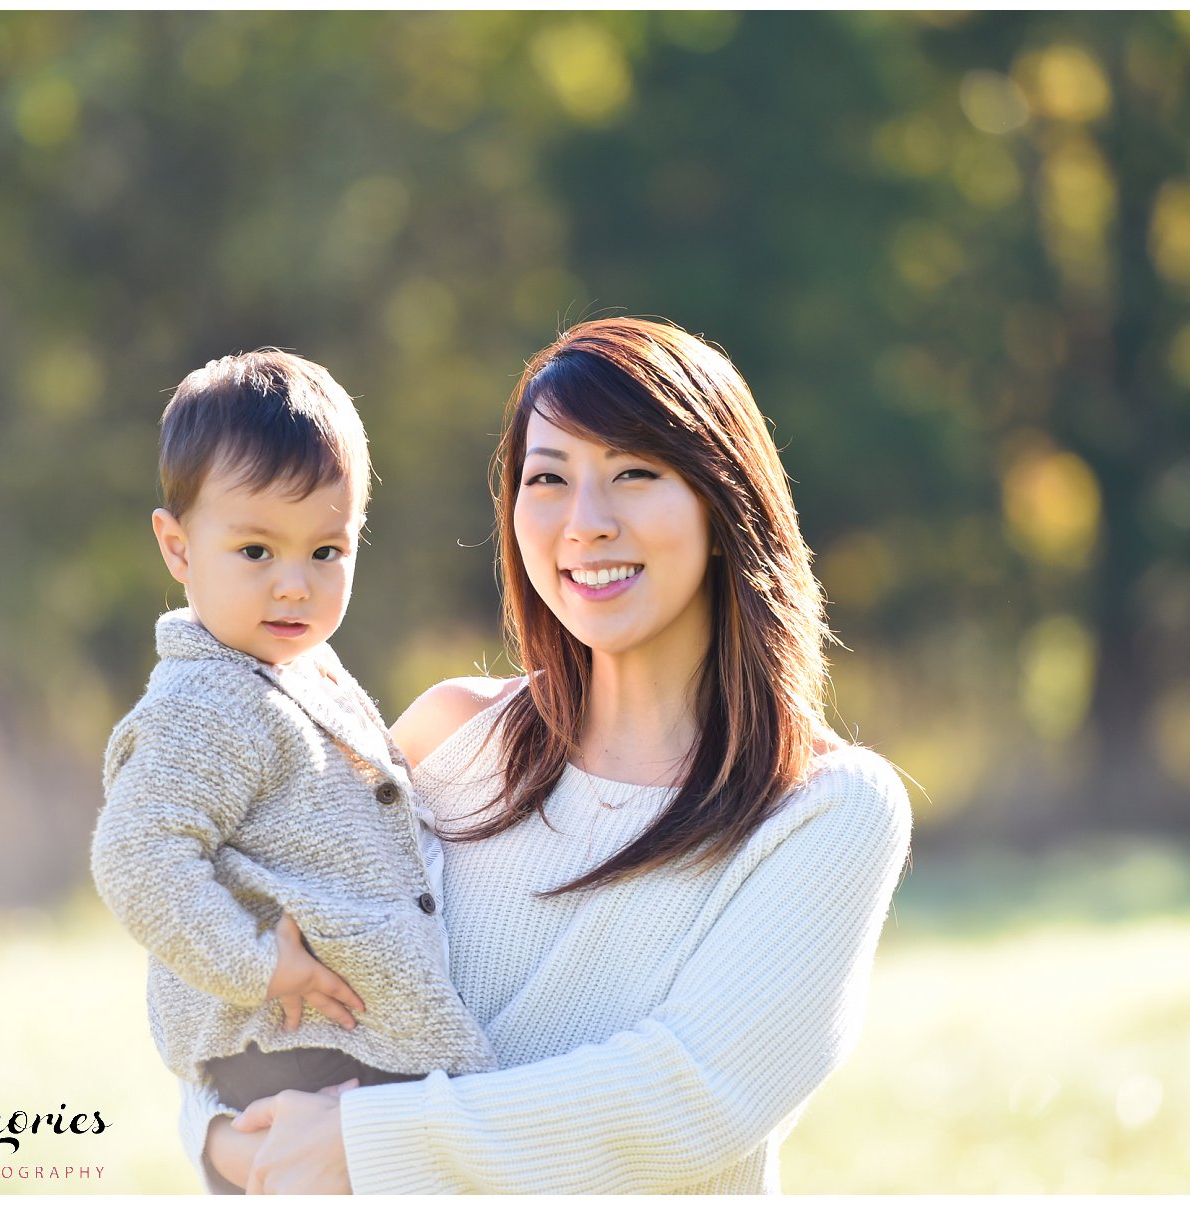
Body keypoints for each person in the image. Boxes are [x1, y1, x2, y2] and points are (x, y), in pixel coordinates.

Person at [190, 318, 913, 1193]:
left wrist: (366, 1139)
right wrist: (224, 1142)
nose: (586, 522)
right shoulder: (446, 741)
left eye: (634, 474)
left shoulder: (826, 809)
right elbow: (236, 979)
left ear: (723, 507)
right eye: (548, 479)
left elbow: (688, 1099)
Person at [90, 349, 495, 1185]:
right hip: (291, 1043)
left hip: (334, 1046)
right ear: (177, 547)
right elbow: (135, 853)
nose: (294, 586)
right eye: (254, 551)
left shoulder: (294, 673)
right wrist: (256, 961)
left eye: (325, 550)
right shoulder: (206, 704)